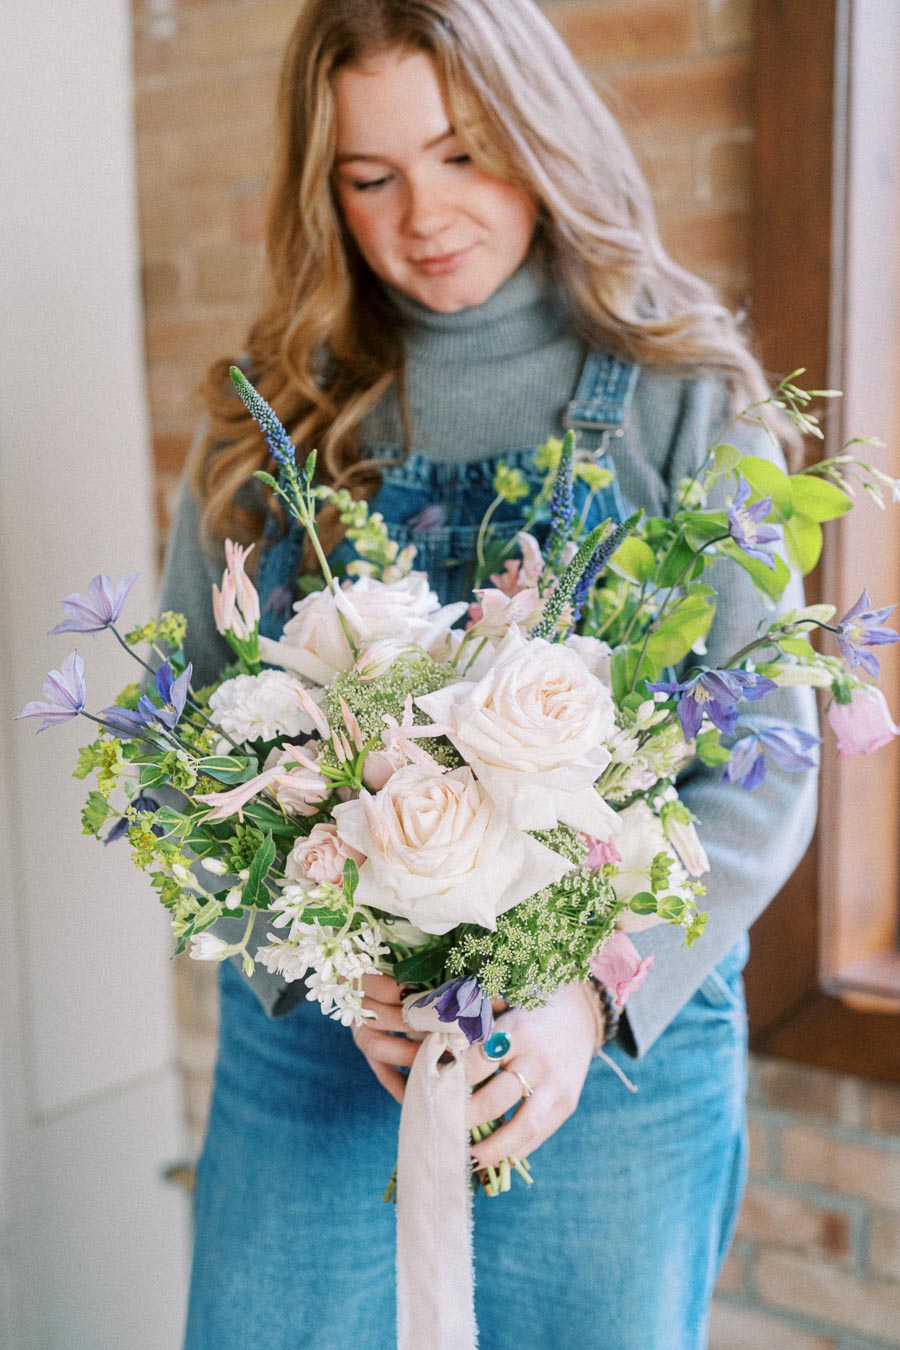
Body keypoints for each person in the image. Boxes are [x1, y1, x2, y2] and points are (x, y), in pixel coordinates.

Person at [160, 3, 818, 1346]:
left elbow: (769, 750)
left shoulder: (683, 395)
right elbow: (185, 745)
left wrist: (590, 996)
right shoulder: (267, 420)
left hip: (619, 1033)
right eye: (370, 176)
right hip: (323, 1035)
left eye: (463, 154)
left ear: (542, 134)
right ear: (321, 186)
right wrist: (335, 976)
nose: (425, 217)